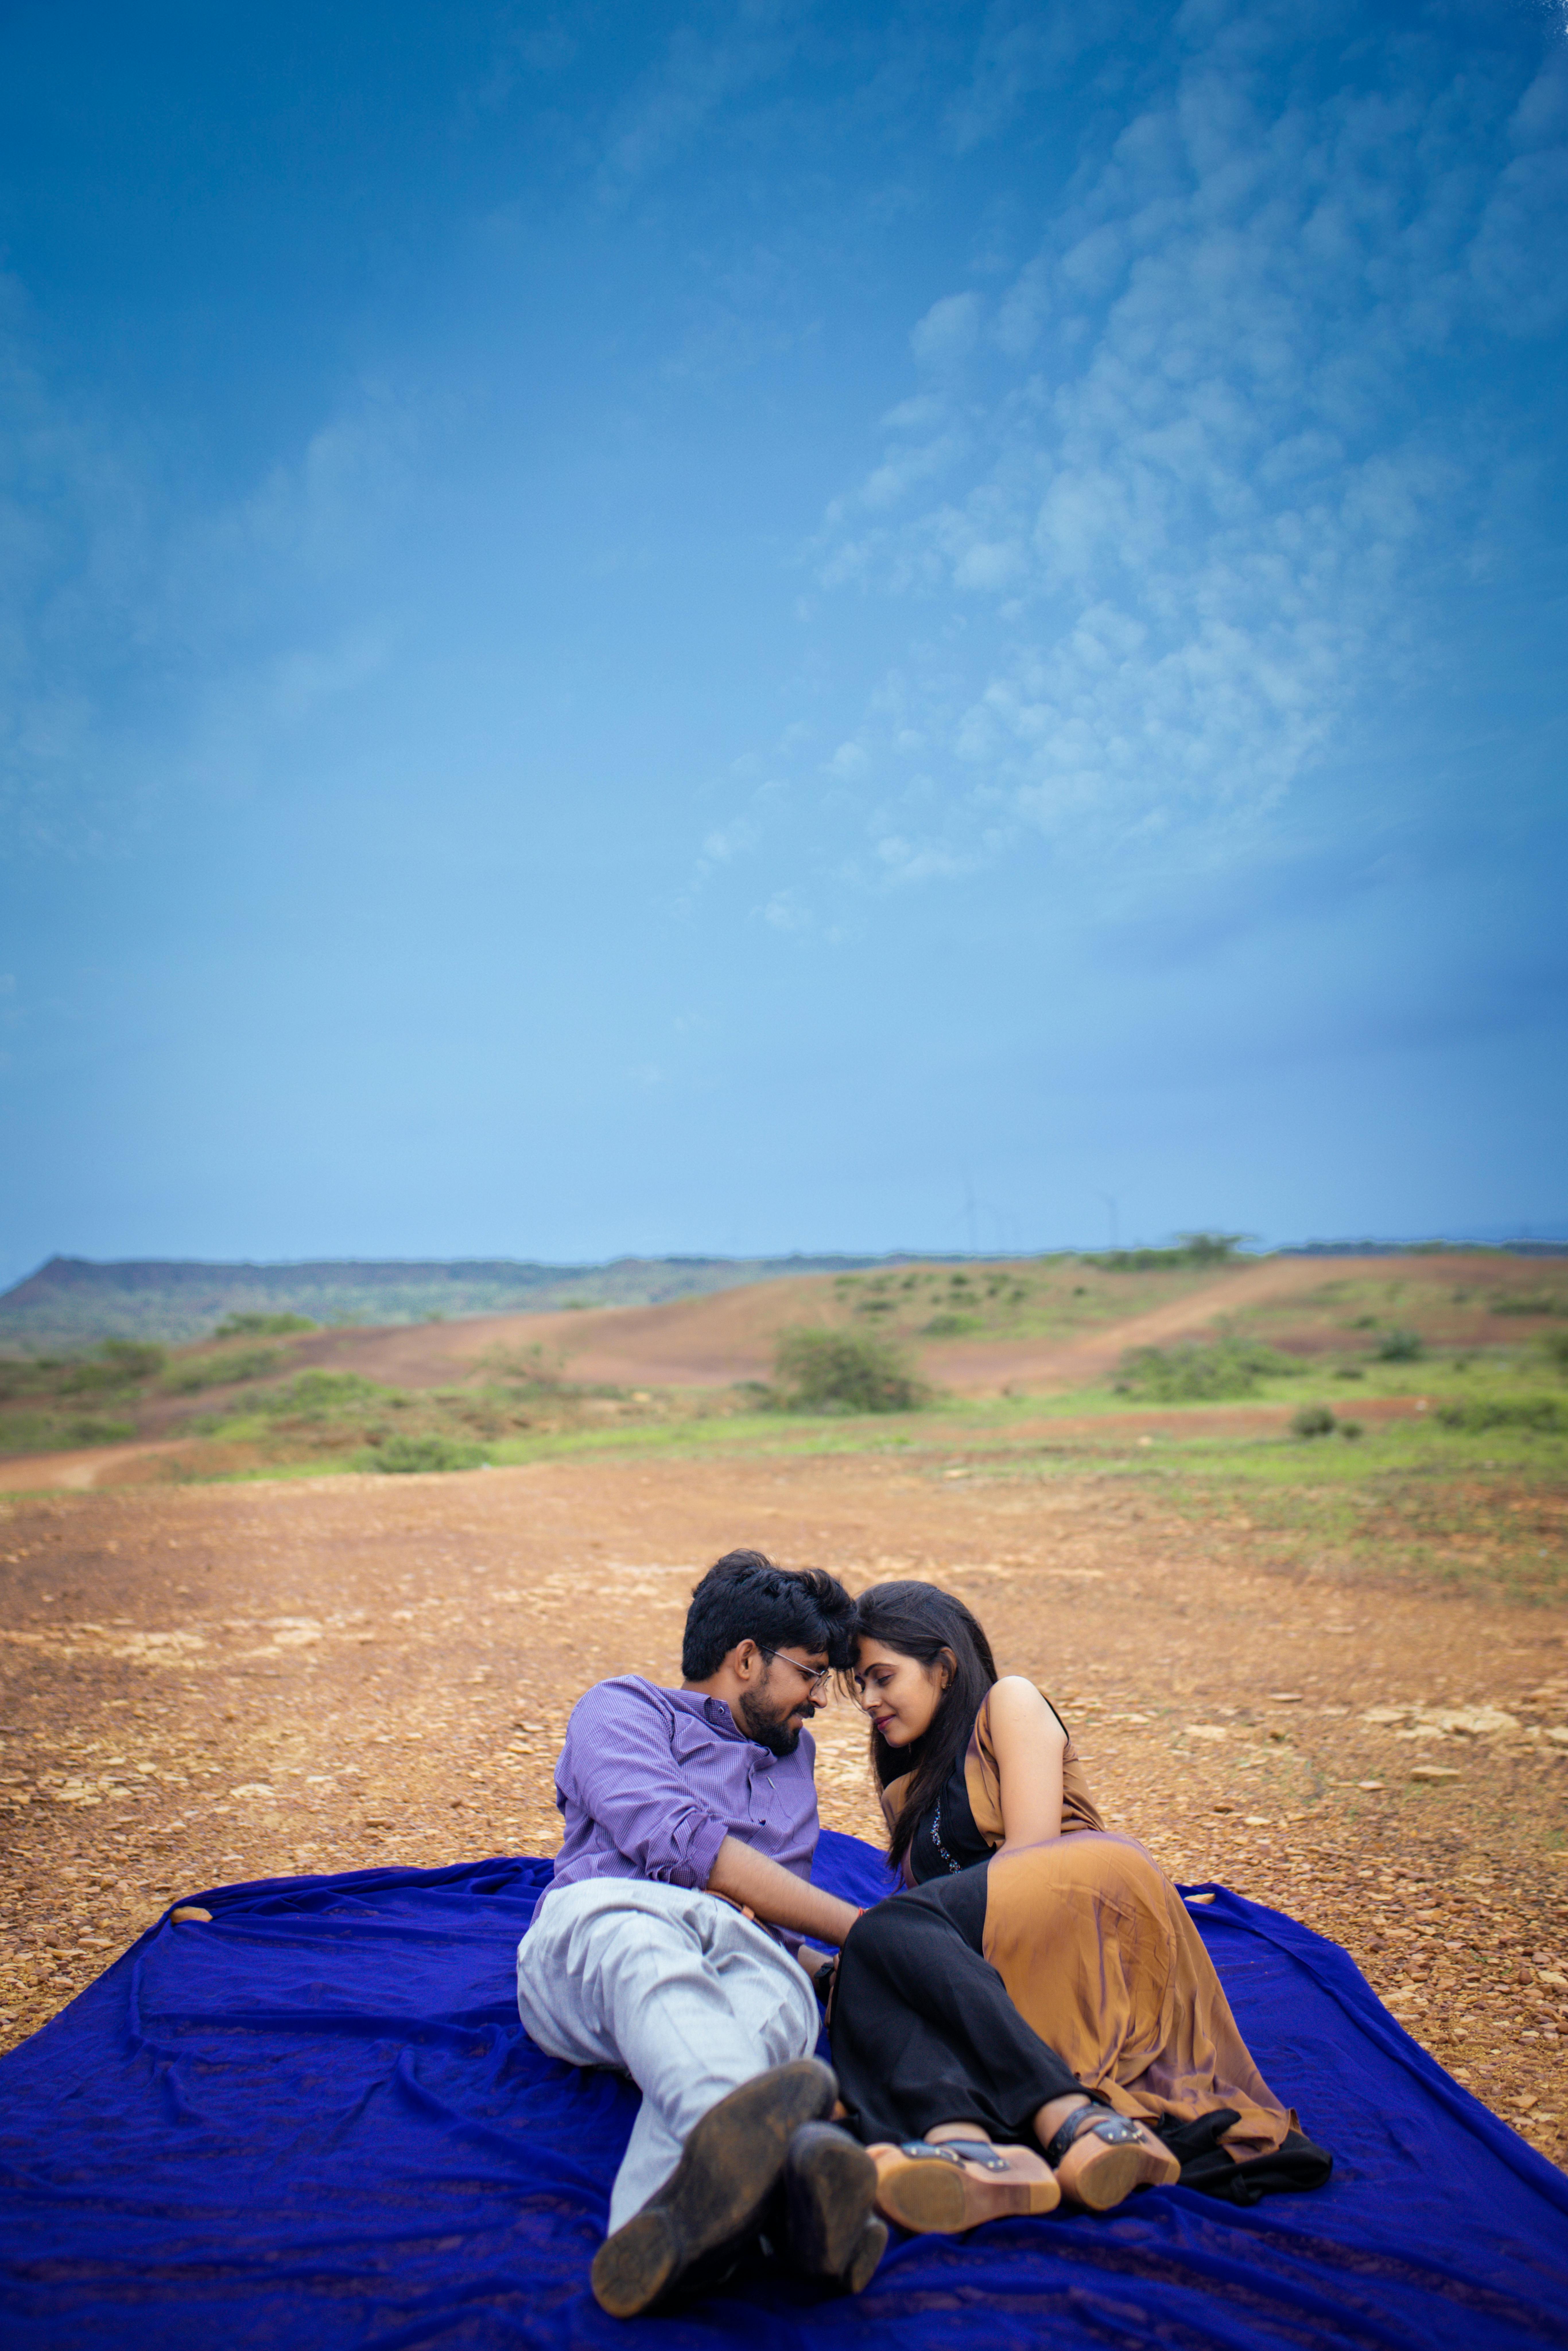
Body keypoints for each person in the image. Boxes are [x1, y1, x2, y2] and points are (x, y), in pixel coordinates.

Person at [826, 1581, 1333, 2232]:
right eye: (858, 1685)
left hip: (1085, 1900)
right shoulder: (904, 1791)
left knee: (883, 1936)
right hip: (1008, 1958)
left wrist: (911, 1949)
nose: (868, 1700)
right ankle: (973, 2151)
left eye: (880, 1677)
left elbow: (1031, 1855)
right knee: (870, 1962)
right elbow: (923, 1933)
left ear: (944, 1668)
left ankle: (1068, 2114)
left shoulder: (1007, 1704)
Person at [515, 1550, 885, 2316]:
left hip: (743, 1952)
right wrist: (870, 1933)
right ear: (747, 1658)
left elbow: (767, 1911)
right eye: (811, 1673)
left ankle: (656, 2242)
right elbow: (680, 1844)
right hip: (609, 1926)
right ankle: (788, 2190)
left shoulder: (794, 1756)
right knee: (651, 1957)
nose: (818, 1699)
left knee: (775, 2006)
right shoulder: (622, 1709)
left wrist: (827, 1969)